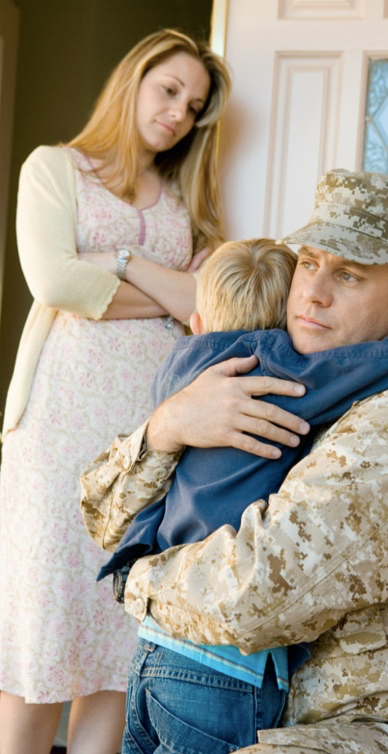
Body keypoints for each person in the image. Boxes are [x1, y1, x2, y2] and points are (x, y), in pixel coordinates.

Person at [81, 169, 388, 754]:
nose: (314, 293)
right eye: (308, 263)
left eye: (349, 275)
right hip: (276, 712)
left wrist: (136, 578)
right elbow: (103, 516)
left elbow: (256, 597)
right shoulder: (274, 381)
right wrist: (168, 427)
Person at [0, 28, 230, 754]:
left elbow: (202, 302)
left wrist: (122, 259)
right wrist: (166, 291)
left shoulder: (185, 197)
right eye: (169, 90)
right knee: (43, 629)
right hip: (60, 424)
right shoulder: (55, 169)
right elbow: (55, 281)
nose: (178, 114)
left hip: (149, 430)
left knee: (113, 636)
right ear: (133, 82)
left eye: (193, 106)